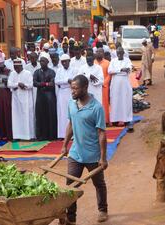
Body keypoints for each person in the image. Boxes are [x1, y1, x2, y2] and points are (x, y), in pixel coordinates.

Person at [62, 74, 108, 224]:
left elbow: (101, 133)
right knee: (71, 186)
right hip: (75, 153)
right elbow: (70, 125)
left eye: (75, 89)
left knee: (99, 184)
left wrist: (103, 157)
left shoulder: (96, 108)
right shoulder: (71, 103)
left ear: (85, 88)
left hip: (93, 154)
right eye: (71, 88)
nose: (72, 91)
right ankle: (71, 218)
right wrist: (65, 145)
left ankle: (102, 210)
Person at [8, 59, 35, 140]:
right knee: (16, 116)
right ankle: (17, 136)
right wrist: (17, 84)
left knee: (26, 116)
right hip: (16, 99)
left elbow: (30, 85)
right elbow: (9, 84)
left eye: (17, 67)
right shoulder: (12, 73)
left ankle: (28, 136)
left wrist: (23, 85)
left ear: (21, 66)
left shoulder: (28, 73)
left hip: (26, 98)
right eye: (15, 67)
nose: (16, 69)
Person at [108, 47, 134, 131]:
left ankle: (127, 119)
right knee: (115, 100)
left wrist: (122, 70)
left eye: (121, 53)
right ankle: (115, 119)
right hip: (115, 83)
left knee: (126, 100)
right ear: (116, 53)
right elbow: (110, 71)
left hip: (125, 83)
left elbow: (129, 68)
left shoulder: (127, 60)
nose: (119, 54)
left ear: (123, 53)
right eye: (118, 53)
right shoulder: (113, 61)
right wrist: (121, 69)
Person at [33, 56, 57, 140]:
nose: (41, 63)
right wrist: (44, 84)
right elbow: (35, 83)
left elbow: (52, 83)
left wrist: (43, 84)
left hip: (49, 96)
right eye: (40, 61)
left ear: (47, 62)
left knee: (50, 115)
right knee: (40, 115)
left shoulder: (51, 72)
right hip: (40, 96)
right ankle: (40, 136)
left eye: (43, 61)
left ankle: (51, 136)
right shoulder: (37, 72)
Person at [55, 54, 75, 139]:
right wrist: (67, 80)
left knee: (71, 113)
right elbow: (56, 81)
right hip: (62, 93)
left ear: (69, 61)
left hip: (71, 93)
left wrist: (65, 82)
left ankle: (72, 135)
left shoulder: (75, 70)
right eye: (62, 62)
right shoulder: (59, 70)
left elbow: (74, 80)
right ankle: (62, 134)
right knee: (62, 113)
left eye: (65, 62)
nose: (64, 64)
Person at [94, 48, 111, 124]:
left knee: (104, 103)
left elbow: (109, 75)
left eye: (101, 52)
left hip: (104, 86)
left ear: (103, 54)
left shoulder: (107, 63)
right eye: (97, 52)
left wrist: (103, 83)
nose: (99, 53)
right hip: (95, 86)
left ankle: (105, 120)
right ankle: (96, 121)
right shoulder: (93, 63)